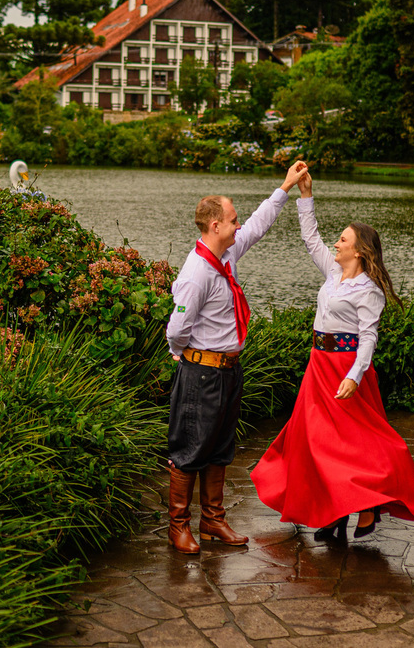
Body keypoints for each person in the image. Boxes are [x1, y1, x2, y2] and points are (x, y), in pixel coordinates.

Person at [250, 170, 414, 540]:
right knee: (313, 441)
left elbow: (368, 338)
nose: (336, 243)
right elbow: (309, 236)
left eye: (343, 239)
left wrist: (355, 375)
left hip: (346, 371)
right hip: (318, 365)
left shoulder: (370, 291)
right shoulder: (332, 272)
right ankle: (335, 514)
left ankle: (364, 505)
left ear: (359, 250)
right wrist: (306, 195)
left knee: (353, 446)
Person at [164, 161, 309, 554]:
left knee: (220, 447)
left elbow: (260, 223)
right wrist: (183, 358)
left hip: (229, 370)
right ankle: (178, 526)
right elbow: (176, 328)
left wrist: (286, 186)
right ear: (215, 226)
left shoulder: (227, 255)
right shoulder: (198, 272)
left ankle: (212, 521)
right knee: (190, 447)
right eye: (232, 219)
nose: (238, 224)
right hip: (202, 372)